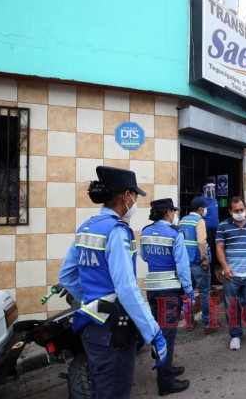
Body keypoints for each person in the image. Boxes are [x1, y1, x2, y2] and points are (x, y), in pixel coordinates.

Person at [58, 165, 167, 399]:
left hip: (90, 326)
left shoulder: (87, 227)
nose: (136, 202)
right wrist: (154, 333)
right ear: (127, 196)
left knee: (100, 388)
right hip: (113, 330)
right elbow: (126, 288)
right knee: (114, 391)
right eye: (135, 196)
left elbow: (66, 276)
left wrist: (94, 300)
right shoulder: (117, 231)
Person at [140, 198, 193, 396]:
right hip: (170, 290)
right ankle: (166, 383)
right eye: (173, 211)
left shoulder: (145, 231)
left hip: (152, 289)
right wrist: (188, 290)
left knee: (159, 332)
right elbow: (182, 265)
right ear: (169, 213)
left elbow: (144, 257)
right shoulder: (175, 233)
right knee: (167, 336)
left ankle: (166, 368)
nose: (174, 215)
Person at [216, 196, 246, 350]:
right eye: (236, 211)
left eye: (242, 209)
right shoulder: (223, 226)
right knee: (232, 306)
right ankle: (235, 335)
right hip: (232, 274)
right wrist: (225, 267)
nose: (240, 213)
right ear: (230, 211)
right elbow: (219, 248)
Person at [179, 196, 220, 335]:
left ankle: (189, 322)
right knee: (204, 293)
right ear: (201, 209)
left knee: (187, 293)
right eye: (205, 208)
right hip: (197, 262)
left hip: (185, 263)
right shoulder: (199, 221)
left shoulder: (182, 220)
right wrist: (204, 260)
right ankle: (208, 324)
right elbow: (202, 242)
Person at [201, 181, 222, 287]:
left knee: (214, 254)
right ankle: (207, 280)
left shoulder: (215, 200)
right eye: (209, 188)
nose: (211, 190)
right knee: (207, 255)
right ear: (204, 189)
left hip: (215, 230)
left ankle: (213, 278)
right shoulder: (201, 200)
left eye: (213, 188)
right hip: (206, 230)